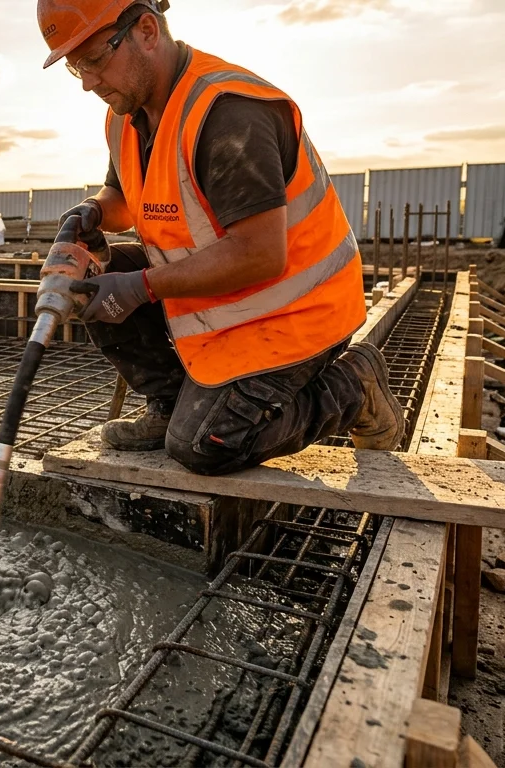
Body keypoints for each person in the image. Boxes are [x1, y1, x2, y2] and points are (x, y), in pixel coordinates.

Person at [36, 0, 404, 476]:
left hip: (298, 312)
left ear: (147, 30)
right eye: (74, 66)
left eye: (94, 59)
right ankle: (169, 402)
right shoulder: (126, 114)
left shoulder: (228, 113)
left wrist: (140, 287)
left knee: (206, 445)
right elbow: (125, 197)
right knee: (91, 278)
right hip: (225, 304)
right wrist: (93, 211)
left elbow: (260, 254)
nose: (88, 81)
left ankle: (354, 385)